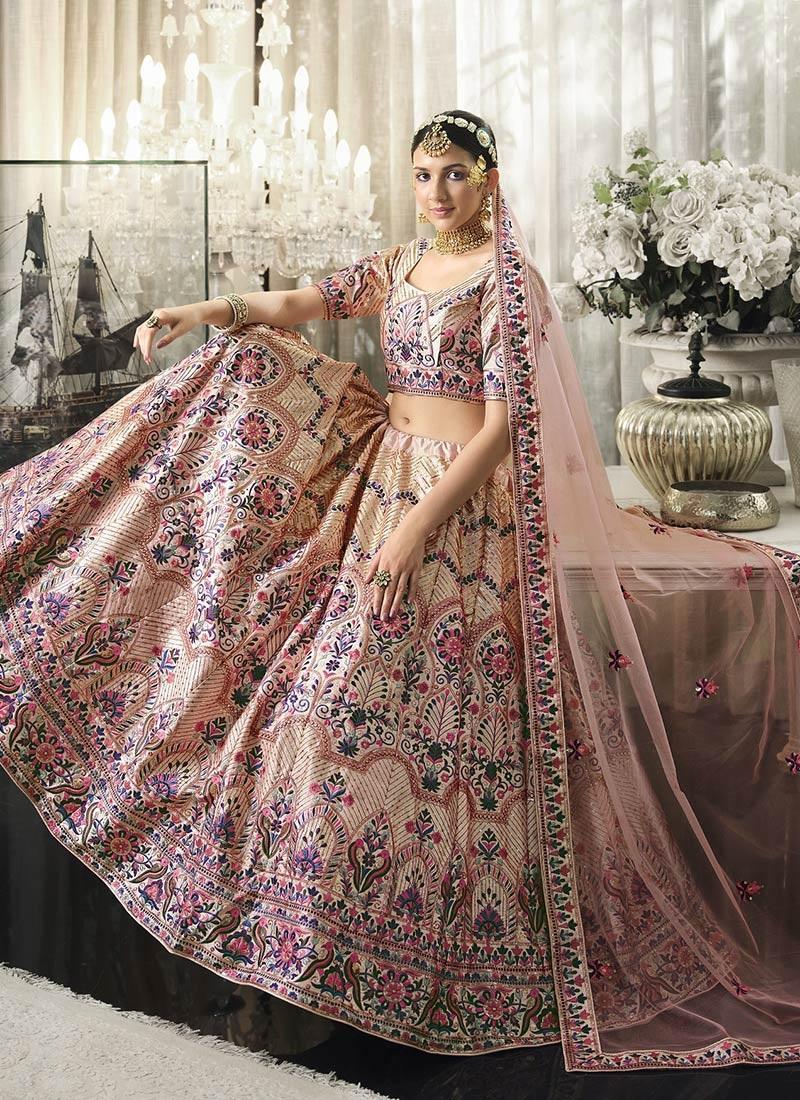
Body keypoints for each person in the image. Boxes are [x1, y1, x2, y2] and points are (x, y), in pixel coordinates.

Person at [1, 109, 799, 1072]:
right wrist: (203, 312)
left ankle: (432, 939)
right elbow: (304, 301)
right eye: (423, 174)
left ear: (489, 179)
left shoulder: (509, 282)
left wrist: (418, 529)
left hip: (458, 510)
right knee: (316, 687)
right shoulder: (404, 262)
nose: (437, 192)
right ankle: (316, 934)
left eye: (454, 173)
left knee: (388, 717)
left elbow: (503, 430)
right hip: (383, 479)